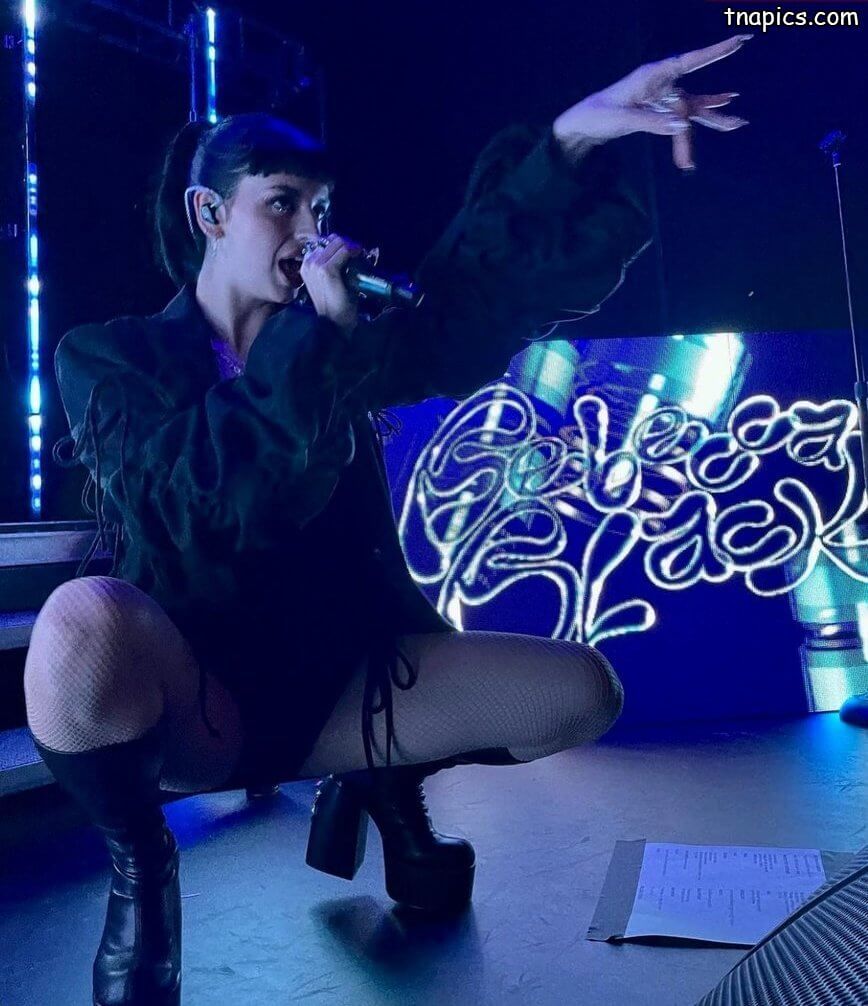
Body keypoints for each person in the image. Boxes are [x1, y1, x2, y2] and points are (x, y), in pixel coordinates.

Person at [23, 35, 750, 1006]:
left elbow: (468, 304)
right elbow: (208, 498)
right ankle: (142, 872)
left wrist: (573, 137)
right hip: (205, 702)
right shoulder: (112, 357)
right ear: (210, 213)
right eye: (282, 203)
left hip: (344, 686)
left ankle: (381, 778)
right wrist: (314, 338)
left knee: (582, 691)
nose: (309, 231)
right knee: (81, 620)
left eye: (320, 210)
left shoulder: (343, 344)